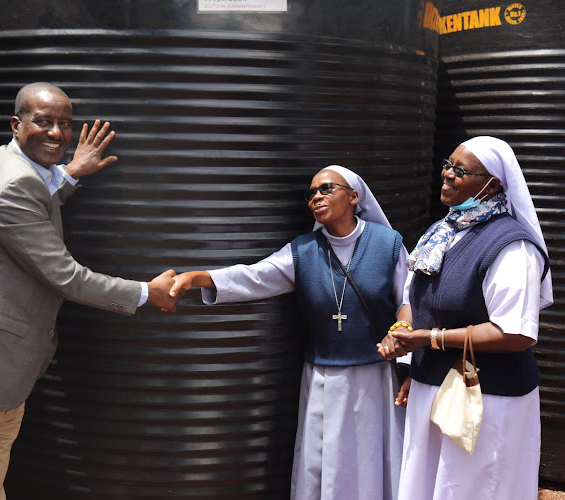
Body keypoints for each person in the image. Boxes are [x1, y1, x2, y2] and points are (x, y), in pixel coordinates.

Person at [0, 82, 180, 500]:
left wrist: (68, 174)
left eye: (64, 124)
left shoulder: (16, 169)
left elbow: (30, 205)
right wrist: (145, 292)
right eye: (43, 121)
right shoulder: (12, 186)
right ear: (16, 124)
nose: (57, 133)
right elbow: (65, 275)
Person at [169, 165, 409, 500]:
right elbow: (255, 277)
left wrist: (407, 361)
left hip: (375, 377)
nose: (316, 197)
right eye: (311, 193)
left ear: (354, 197)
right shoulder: (304, 250)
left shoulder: (388, 244)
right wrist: (199, 277)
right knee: (322, 461)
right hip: (322, 375)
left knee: (371, 459)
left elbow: (409, 303)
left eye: (326, 189)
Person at [377, 136, 552, 499]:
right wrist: (405, 333)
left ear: (493, 185)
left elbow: (515, 333)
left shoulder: (511, 247)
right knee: (428, 484)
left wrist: (430, 340)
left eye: (461, 170)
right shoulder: (442, 233)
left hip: (487, 399)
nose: (448, 174)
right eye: (448, 164)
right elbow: (414, 296)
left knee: (473, 486)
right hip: (433, 387)